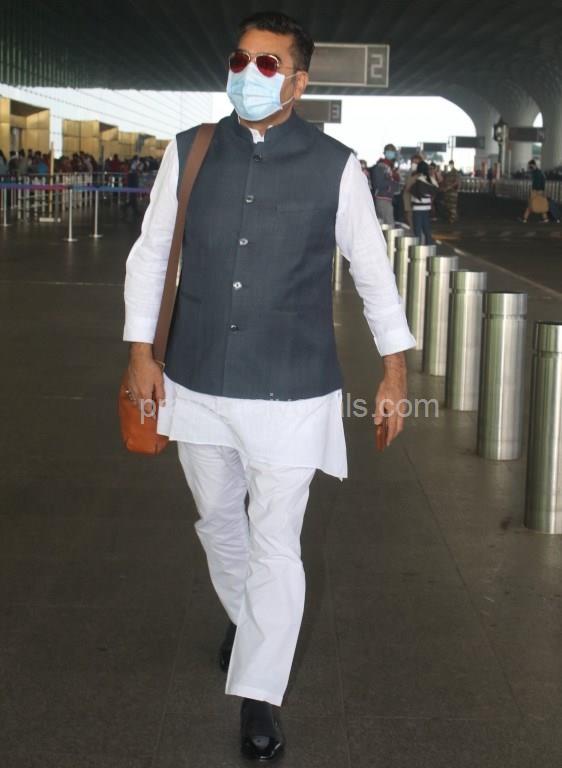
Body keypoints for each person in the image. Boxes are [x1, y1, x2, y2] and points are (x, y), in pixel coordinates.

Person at [124, 11, 415, 762]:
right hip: (195, 380)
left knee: (276, 542)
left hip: (293, 389)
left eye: (266, 64)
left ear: (297, 81)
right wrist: (139, 354)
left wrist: (394, 371)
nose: (248, 75)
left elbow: (372, 271)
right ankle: (248, 615)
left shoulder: (335, 166)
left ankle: (259, 694)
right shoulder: (189, 151)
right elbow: (151, 255)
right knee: (218, 520)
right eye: (239, 59)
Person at [369, 143, 401, 226]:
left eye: (392, 151)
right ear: (385, 152)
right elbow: (377, 183)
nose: (391, 153)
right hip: (382, 198)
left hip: (387, 198)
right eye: (389, 151)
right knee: (388, 224)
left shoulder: (390, 167)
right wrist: (391, 185)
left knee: (385, 224)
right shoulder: (380, 166)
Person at [410, 160, 438, 244]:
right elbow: (436, 188)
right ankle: (429, 246)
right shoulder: (431, 179)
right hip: (426, 208)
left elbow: (409, 189)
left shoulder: (417, 179)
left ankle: (418, 248)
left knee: (417, 230)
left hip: (417, 208)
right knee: (427, 229)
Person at [520, 159, 548, 223]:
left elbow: (537, 182)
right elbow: (543, 180)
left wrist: (536, 190)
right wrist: (542, 190)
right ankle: (545, 219)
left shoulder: (536, 173)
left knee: (530, 204)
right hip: (540, 191)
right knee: (541, 204)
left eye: (530, 165)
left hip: (535, 191)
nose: (529, 167)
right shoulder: (539, 172)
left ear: (533, 165)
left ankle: (524, 219)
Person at [402, 153, 422, 229]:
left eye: (417, 163)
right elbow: (405, 183)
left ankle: (417, 231)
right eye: (413, 162)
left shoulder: (421, 174)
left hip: (416, 198)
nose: (414, 164)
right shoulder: (409, 172)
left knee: (417, 216)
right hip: (407, 196)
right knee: (408, 214)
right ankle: (412, 229)